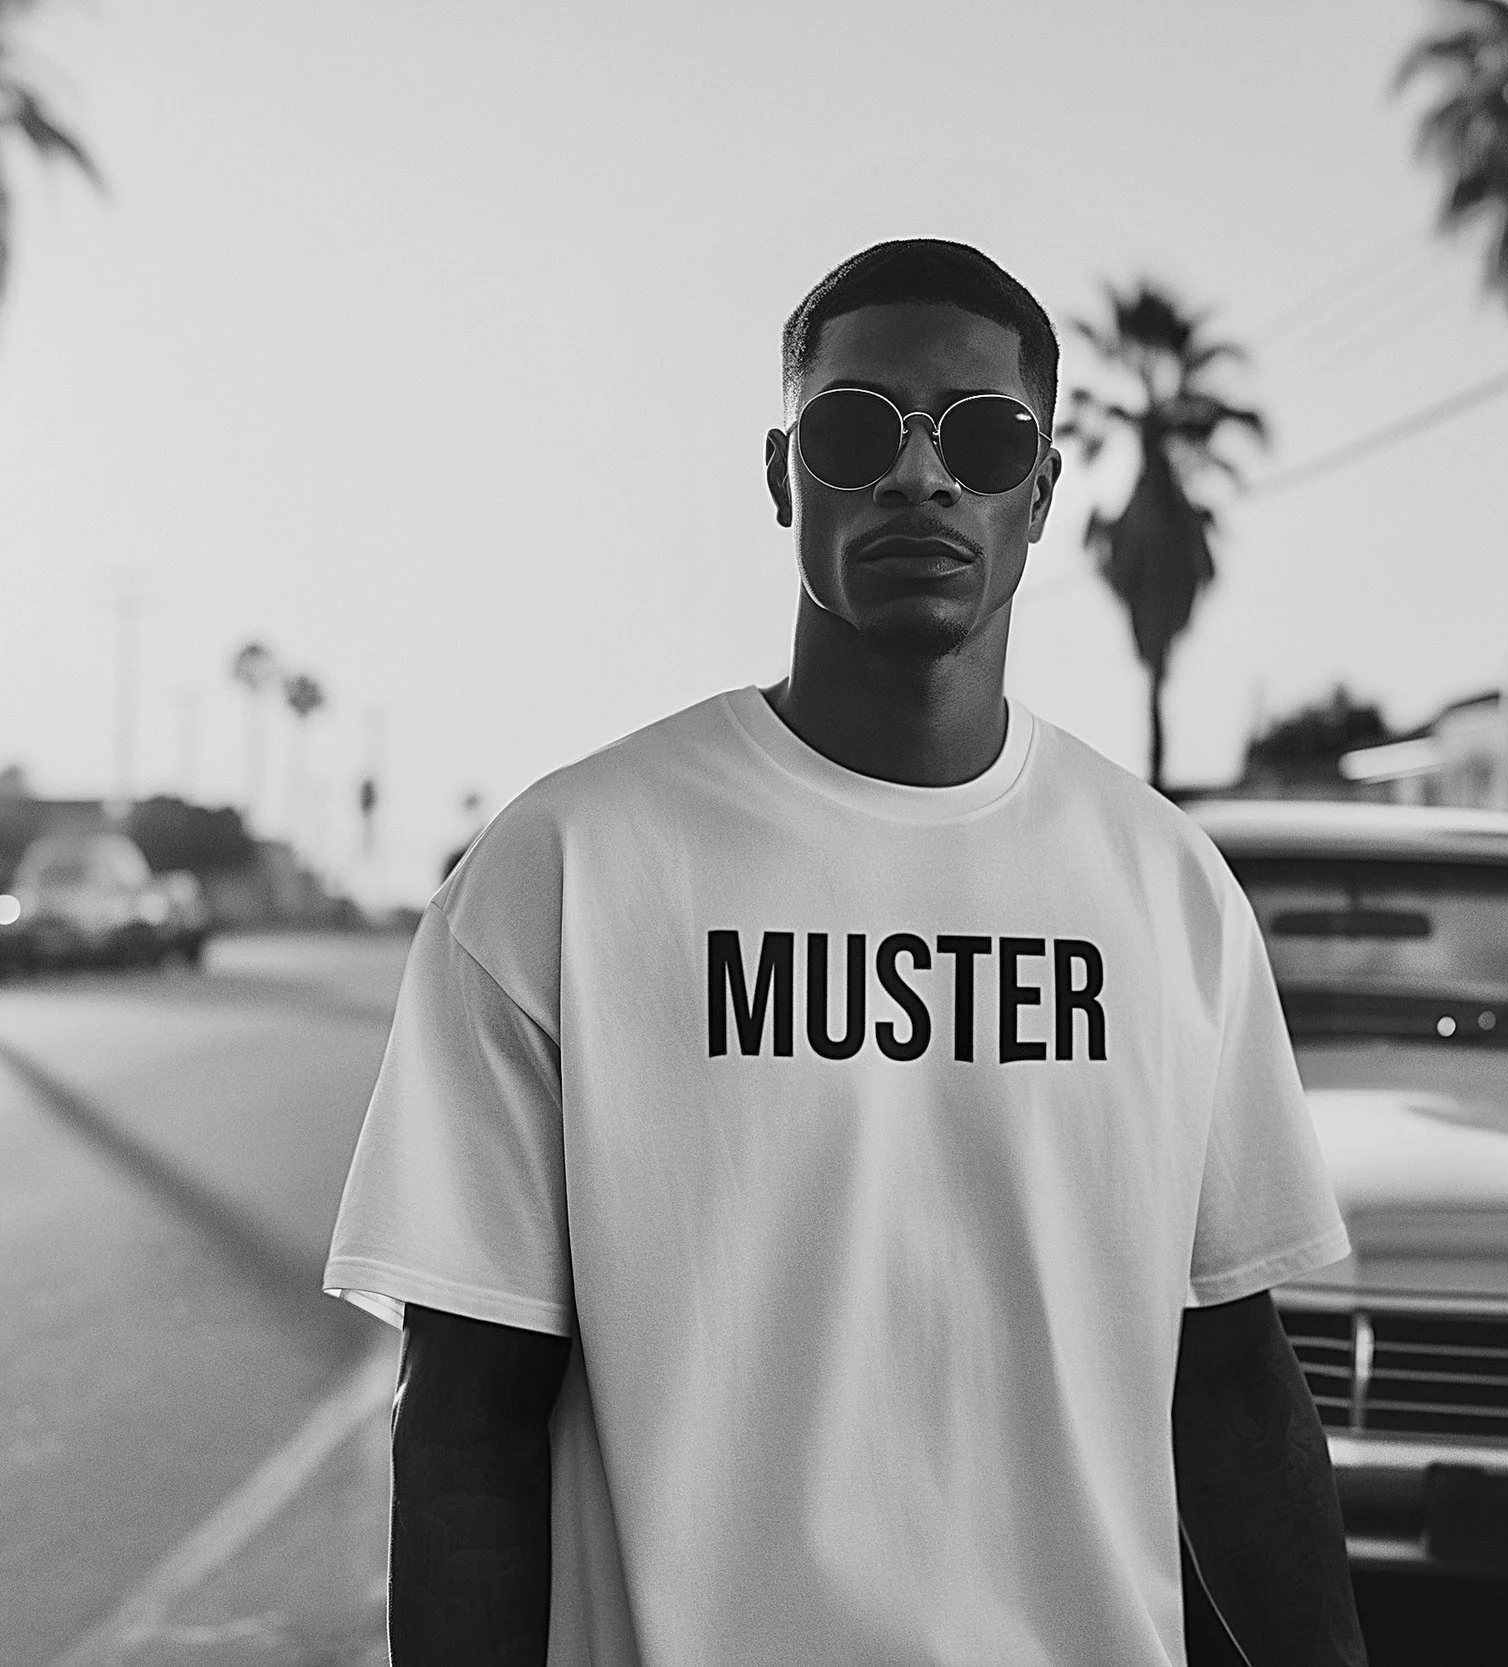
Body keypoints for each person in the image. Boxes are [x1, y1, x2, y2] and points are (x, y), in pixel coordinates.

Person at [324, 237, 1369, 1667]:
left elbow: (1234, 1386)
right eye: (857, 427)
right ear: (781, 473)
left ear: (1044, 492)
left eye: (987, 436)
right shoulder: (570, 868)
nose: (921, 474)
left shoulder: (1164, 891)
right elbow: (465, 1420)